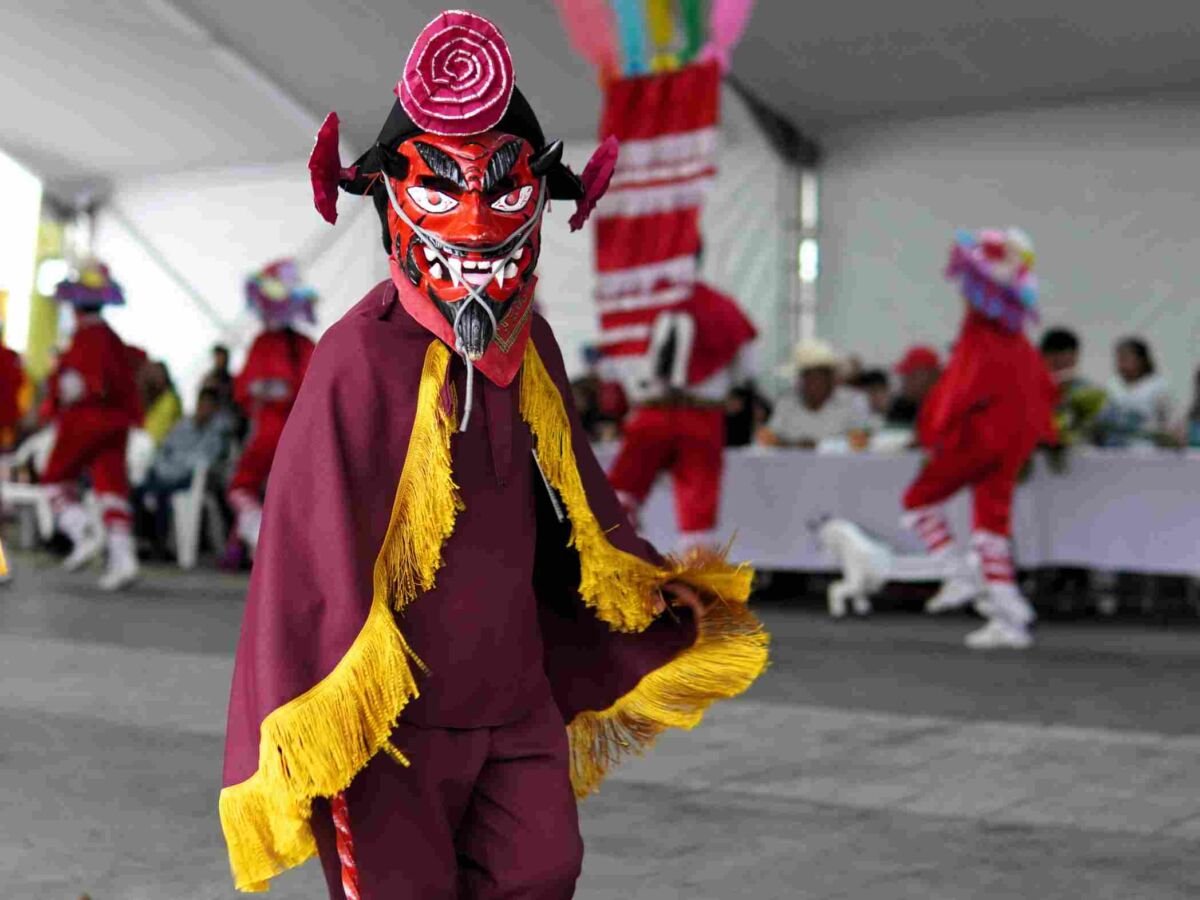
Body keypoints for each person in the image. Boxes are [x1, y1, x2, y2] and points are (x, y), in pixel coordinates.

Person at [219, 13, 768, 898]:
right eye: (442, 192)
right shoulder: (358, 354)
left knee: (543, 871)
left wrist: (639, 581)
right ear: (390, 199)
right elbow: (308, 556)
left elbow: (575, 494)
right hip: (393, 719)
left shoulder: (533, 344)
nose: (475, 222)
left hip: (515, 697)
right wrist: (326, 707)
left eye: (505, 192)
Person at [900, 229, 1056, 649]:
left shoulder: (979, 337)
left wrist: (935, 433)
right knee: (991, 527)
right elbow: (1042, 391)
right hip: (1013, 441)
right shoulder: (1018, 342)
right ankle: (1009, 618)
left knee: (917, 503)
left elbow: (960, 391)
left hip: (982, 438)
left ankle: (959, 574)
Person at [608, 280, 758, 551]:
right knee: (698, 516)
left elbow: (616, 360)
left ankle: (608, 566)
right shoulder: (724, 307)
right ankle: (693, 573)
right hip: (701, 415)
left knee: (620, 495)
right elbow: (746, 370)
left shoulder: (639, 299)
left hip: (651, 410)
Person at [40, 260, 143, 591]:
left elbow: (75, 387)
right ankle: (124, 560)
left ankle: (83, 531)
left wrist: (57, 387)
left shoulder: (85, 338)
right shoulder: (112, 338)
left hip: (86, 420)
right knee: (112, 490)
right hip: (117, 425)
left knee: (54, 481)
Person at [224, 260, 317, 559]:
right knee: (291, 494)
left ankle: (260, 537)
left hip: (271, 429)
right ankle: (262, 544)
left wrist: (263, 392)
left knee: (242, 487)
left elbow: (244, 388)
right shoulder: (305, 344)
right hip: (301, 434)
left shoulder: (269, 342)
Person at [134, 386, 232, 558]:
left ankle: (161, 547)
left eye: (208, 406)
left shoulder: (218, 432)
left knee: (162, 495)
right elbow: (164, 449)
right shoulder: (182, 425)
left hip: (189, 478)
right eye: (201, 405)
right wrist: (164, 466)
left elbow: (205, 460)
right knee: (137, 492)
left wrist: (177, 463)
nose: (204, 409)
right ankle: (141, 541)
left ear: (215, 409)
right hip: (165, 471)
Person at [757, 339, 870, 448]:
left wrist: (820, 446)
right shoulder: (786, 402)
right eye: (808, 376)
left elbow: (862, 442)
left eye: (819, 377)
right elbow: (768, 439)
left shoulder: (853, 401)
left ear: (831, 379)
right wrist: (794, 445)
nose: (813, 383)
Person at [1097, 336, 1172, 447]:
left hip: (1146, 450)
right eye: (1119, 359)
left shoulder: (1158, 386)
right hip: (1114, 449)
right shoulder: (1112, 385)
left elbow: (1167, 422)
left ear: (1141, 360)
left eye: (1125, 359)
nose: (1120, 364)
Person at [1038, 327, 1106, 448]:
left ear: (1076, 357)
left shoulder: (1088, 391)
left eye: (1067, 362)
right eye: (1055, 363)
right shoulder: (1032, 390)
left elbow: (1101, 432)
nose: (1061, 366)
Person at [886, 345, 941, 427]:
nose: (904, 382)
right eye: (904, 376)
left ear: (929, 376)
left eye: (910, 376)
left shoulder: (947, 408)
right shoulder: (901, 405)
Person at [0, 321, 31, 451]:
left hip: (7, 410)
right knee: (7, 450)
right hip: (8, 411)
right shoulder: (10, 355)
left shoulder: (9, 355)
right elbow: (21, 381)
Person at [139, 360, 183, 447]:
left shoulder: (171, 400)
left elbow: (164, 431)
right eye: (153, 375)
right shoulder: (152, 401)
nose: (155, 378)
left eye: (158, 374)